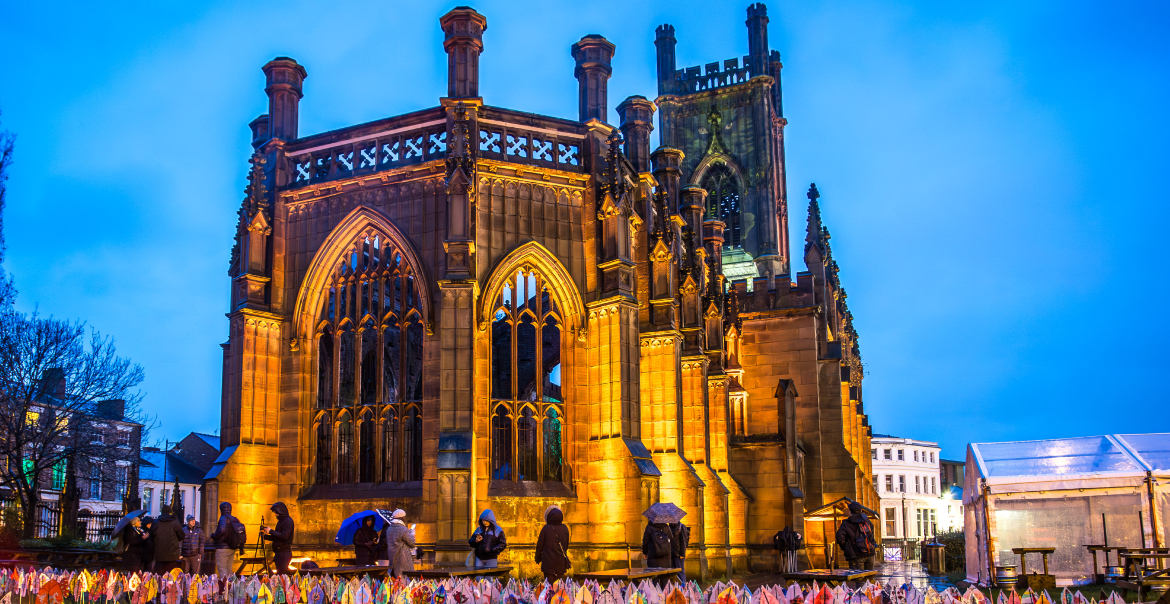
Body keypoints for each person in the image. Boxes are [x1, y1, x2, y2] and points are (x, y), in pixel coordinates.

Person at [835, 501, 877, 570]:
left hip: (855, 556)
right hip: (870, 554)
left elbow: (839, 537)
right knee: (868, 578)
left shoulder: (846, 523)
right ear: (861, 510)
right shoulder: (867, 521)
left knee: (859, 579)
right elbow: (871, 535)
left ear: (850, 512)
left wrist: (847, 548)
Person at [534, 504, 570, 584]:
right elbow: (566, 545)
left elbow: (540, 545)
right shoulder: (565, 528)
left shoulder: (546, 528)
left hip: (548, 563)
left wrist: (538, 558)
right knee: (558, 587)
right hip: (561, 563)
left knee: (549, 588)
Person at [210, 501, 243, 577]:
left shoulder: (223, 518)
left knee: (222, 568)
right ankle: (231, 587)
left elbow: (222, 530)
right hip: (232, 547)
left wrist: (214, 535)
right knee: (229, 568)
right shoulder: (234, 519)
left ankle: (225, 587)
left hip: (223, 547)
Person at [261, 502, 295, 574]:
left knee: (282, 574)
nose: (275, 514)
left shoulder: (288, 521)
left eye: (276, 512)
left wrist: (271, 531)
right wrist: (265, 536)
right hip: (279, 552)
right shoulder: (281, 521)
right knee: (279, 573)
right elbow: (277, 537)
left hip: (283, 553)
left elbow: (285, 536)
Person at [153, 504, 186, 574]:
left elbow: (151, 537)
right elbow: (182, 536)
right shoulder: (175, 522)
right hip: (173, 554)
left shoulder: (156, 522)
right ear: (170, 512)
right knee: (171, 575)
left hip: (160, 554)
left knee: (159, 576)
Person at [641, 521, 675, 587]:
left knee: (654, 582)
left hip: (653, 557)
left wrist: (645, 553)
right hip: (666, 558)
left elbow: (645, 542)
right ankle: (664, 596)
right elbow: (671, 540)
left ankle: (655, 596)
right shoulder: (666, 527)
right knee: (665, 581)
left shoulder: (649, 527)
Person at [384, 509, 415, 578]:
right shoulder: (403, 529)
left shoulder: (389, 529)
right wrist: (411, 533)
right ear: (402, 518)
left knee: (395, 581)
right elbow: (412, 542)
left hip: (393, 559)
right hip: (403, 560)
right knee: (404, 582)